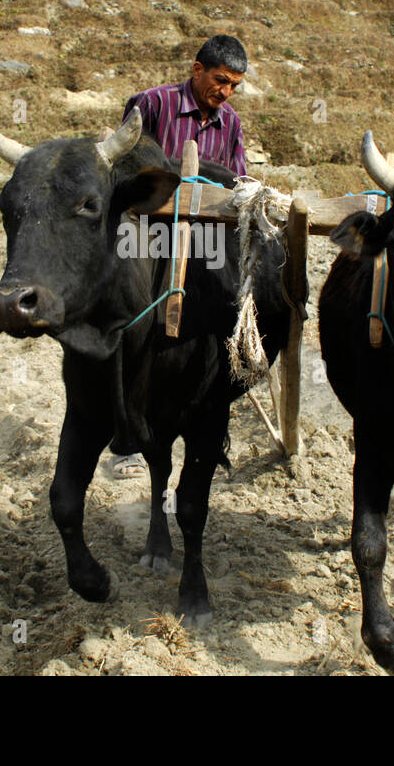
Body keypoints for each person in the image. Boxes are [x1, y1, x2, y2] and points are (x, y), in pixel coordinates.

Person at [109, 34, 250, 479]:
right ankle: (125, 439)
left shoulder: (231, 124)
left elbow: (238, 184)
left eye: (234, 86)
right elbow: (124, 169)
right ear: (197, 70)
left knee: (222, 313)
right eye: (220, 80)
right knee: (130, 324)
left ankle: (206, 417)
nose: (225, 92)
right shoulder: (149, 105)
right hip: (147, 236)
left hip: (205, 244)